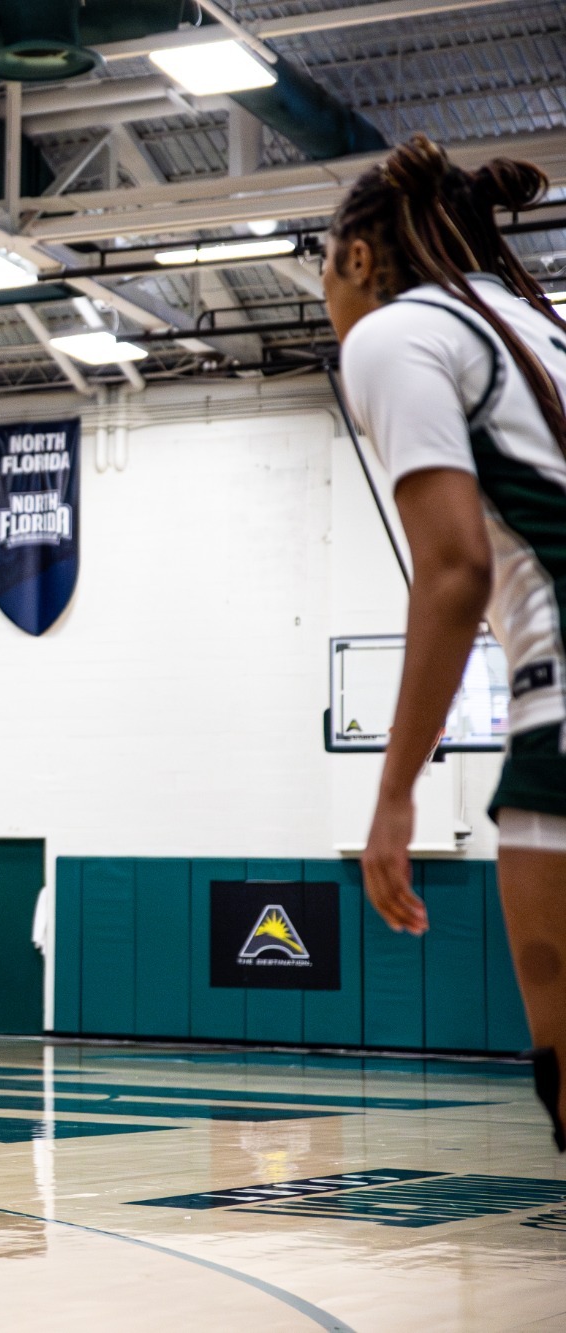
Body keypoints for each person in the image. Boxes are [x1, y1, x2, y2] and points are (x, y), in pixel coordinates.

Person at [329, 135, 566, 1155]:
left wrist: (392, 794)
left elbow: (455, 570)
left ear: (352, 259)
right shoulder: (541, 326)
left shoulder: (392, 336)